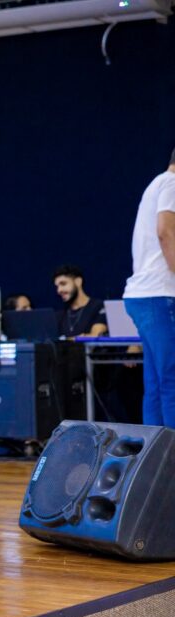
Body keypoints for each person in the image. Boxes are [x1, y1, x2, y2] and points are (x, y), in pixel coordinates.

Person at [123, 147, 175, 427]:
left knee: (157, 383)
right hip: (160, 295)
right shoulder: (171, 183)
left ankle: (159, 452)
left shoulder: (156, 184)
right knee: (171, 381)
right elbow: (165, 232)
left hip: (146, 296)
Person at [53, 265, 107, 337]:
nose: (59, 290)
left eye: (63, 284)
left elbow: (95, 336)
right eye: (57, 286)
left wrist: (66, 341)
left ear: (78, 281)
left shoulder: (99, 307)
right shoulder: (60, 315)